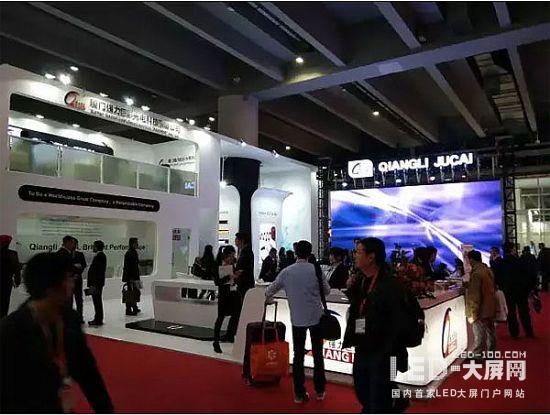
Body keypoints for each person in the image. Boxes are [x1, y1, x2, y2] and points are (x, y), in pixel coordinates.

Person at [0, 253, 114, 413]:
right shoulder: (12, 329)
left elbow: (88, 373)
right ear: (52, 285)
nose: (72, 283)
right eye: (68, 278)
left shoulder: (70, 320)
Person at [343, 237, 408, 413]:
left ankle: (391, 403)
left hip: (384, 350)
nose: (354, 256)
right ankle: (395, 401)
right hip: (363, 345)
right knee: (363, 390)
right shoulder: (362, 280)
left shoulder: (390, 285)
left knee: (378, 396)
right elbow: (360, 309)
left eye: (358, 252)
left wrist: (387, 349)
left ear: (371, 257)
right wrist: (352, 291)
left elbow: (396, 322)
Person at [266, 240, 329, 403]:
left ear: (296, 253)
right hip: (316, 317)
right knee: (318, 355)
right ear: (310, 253)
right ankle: (320, 390)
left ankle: (299, 393)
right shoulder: (315, 270)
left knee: (298, 355)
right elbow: (327, 291)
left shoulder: (287, 271)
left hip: (297, 318)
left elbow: (269, 290)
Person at [465, 250, 497, 359]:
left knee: (479, 332)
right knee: (490, 332)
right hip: (490, 305)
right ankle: (492, 353)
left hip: (481, 308)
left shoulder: (476, 274)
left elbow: (474, 296)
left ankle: (478, 355)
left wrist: (472, 312)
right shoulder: (487, 270)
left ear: (471, 260)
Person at [500, 242, 534, 338]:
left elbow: (499, 278)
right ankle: (528, 331)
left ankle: (514, 333)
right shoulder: (519, 261)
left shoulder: (501, 263)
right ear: (512, 249)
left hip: (508, 291)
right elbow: (526, 275)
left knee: (511, 312)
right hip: (520, 291)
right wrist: (528, 288)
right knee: (524, 311)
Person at [212, 246, 239, 354]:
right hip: (224, 295)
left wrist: (236, 276)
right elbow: (217, 282)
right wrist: (229, 277)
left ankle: (231, 335)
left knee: (235, 315)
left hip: (233, 293)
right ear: (226, 256)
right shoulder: (218, 266)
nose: (233, 258)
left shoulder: (233, 265)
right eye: (231, 256)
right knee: (220, 318)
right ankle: (216, 341)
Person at [0, 235, 21, 318]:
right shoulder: (13, 254)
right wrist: (17, 280)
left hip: (6, 281)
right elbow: (17, 269)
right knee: (5, 302)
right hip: (7, 282)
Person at [87, 241, 106, 327]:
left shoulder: (100, 256)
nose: (93, 248)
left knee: (97, 301)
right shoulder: (100, 256)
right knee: (97, 301)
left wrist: (93, 283)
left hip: (96, 283)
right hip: (98, 283)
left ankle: (98, 319)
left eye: (94, 246)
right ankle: (98, 318)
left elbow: (97, 271)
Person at [122, 237, 141, 316]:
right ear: (132, 244)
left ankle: (133, 307)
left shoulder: (132, 252)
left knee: (133, 292)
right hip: (132, 277)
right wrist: (131, 278)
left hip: (133, 277)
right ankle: (129, 309)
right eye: (136, 243)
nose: (137, 244)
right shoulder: (130, 253)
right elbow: (129, 267)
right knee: (131, 293)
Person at [234, 232, 255, 298]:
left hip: (245, 282)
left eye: (236, 239)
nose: (235, 241)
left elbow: (246, 267)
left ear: (242, 240)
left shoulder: (246, 251)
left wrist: (240, 272)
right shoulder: (243, 250)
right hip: (243, 282)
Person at [72, 238, 87, 323]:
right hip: (69, 279)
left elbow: (83, 265)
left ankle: (79, 316)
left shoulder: (80, 254)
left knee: (79, 299)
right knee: (69, 299)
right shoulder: (66, 254)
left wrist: (78, 273)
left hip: (78, 279)